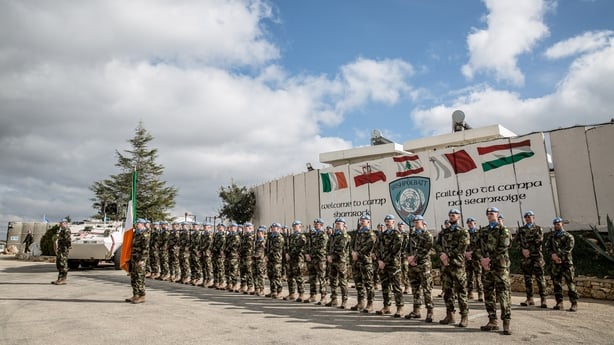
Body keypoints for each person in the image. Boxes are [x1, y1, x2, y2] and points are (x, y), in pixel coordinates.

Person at [474, 207, 512, 335]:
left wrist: (489, 259)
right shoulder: (483, 231)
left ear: (497, 215)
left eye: (492, 213)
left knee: (503, 294)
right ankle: (492, 320)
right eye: (488, 214)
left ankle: (506, 322)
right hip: (487, 267)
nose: (490, 216)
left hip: (500, 266)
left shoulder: (503, 230)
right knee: (489, 294)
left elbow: (503, 247)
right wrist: (482, 259)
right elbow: (476, 246)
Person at [435, 209, 470, 327]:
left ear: (459, 217)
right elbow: (437, 244)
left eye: (453, 215)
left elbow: (462, 247)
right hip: (445, 266)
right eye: (450, 215)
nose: (451, 217)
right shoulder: (444, 232)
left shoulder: (463, 232)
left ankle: (464, 316)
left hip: (457, 265)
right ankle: (450, 315)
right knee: (447, 291)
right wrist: (441, 255)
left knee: (461, 291)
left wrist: (447, 255)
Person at [404, 215, 435, 322]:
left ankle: (430, 311)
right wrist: (408, 257)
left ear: (422, 222)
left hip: (423, 265)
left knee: (426, 289)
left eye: (417, 222)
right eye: (414, 222)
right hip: (413, 266)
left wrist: (414, 258)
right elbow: (407, 248)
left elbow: (426, 249)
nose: (415, 223)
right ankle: (416, 310)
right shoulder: (411, 235)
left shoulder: (427, 235)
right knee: (415, 289)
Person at [545, 217, 579, 312]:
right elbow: (547, 247)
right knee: (556, 283)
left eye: (558, 224)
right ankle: (559, 302)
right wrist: (553, 255)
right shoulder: (551, 236)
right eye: (555, 224)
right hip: (555, 264)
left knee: (570, 283)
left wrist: (558, 255)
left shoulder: (569, 236)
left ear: (562, 225)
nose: (556, 226)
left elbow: (568, 249)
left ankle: (574, 303)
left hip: (566, 263)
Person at [516, 210, 547, 308]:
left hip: (536, 256)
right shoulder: (521, 230)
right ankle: (530, 298)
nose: (528, 218)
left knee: (540, 278)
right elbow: (517, 242)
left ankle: (543, 299)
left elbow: (538, 241)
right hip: (526, 258)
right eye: (526, 217)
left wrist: (528, 249)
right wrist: (522, 250)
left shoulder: (538, 229)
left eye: (530, 217)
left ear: (533, 218)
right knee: (528, 278)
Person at [376, 214, 404, 317]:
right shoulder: (382, 235)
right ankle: (386, 307)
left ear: (393, 222)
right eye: (386, 221)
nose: (387, 222)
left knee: (396, 287)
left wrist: (384, 261)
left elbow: (395, 250)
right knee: (385, 286)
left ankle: (400, 308)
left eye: (389, 221)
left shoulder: (397, 234)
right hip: (382, 264)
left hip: (393, 264)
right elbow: (377, 248)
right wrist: (379, 260)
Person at [350, 214, 377, 313]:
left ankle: (370, 304)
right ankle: (360, 302)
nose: (362, 222)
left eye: (364, 220)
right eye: (361, 220)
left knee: (368, 284)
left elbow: (369, 246)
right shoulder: (358, 233)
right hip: (356, 262)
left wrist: (358, 253)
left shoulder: (371, 234)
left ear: (368, 222)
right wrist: (352, 252)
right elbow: (351, 245)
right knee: (359, 283)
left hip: (366, 262)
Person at [326, 217, 350, 309]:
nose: (337, 225)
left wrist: (331, 256)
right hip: (332, 261)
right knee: (333, 281)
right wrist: (329, 255)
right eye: (336, 224)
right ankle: (334, 299)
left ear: (343, 225)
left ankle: (344, 300)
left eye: (339, 224)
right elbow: (328, 247)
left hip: (341, 261)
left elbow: (341, 249)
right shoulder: (333, 236)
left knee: (343, 282)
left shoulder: (345, 236)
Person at [125, 218, 151, 304]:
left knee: (140, 278)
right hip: (134, 258)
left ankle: (142, 295)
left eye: (138, 223)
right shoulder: (136, 233)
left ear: (142, 224)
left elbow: (145, 249)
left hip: (140, 259)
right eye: (136, 223)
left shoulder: (145, 234)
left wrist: (142, 260)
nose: (136, 225)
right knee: (134, 277)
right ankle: (135, 295)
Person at [305, 218, 329, 304]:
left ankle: (323, 297)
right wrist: (307, 254)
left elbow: (321, 248)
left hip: (320, 259)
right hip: (312, 259)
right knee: (312, 278)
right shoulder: (313, 235)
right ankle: (313, 295)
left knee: (322, 278)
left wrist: (311, 254)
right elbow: (308, 246)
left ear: (321, 225)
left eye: (317, 224)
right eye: (314, 224)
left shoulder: (323, 235)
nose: (315, 225)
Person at [285, 220, 307, 301]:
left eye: (296, 226)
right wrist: (287, 253)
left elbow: (298, 248)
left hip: (298, 259)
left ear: (300, 227)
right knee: (290, 277)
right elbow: (287, 246)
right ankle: (292, 293)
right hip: (291, 260)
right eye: (293, 226)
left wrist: (289, 254)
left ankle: (301, 294)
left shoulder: (302, 237)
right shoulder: (291, 236)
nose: (294, 227)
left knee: (299, 277)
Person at [465, 217, 483, 302]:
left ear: (474, 223)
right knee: (469, 276)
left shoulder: (479, 233)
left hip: (476, 258)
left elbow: (481, 246)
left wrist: (472, 252)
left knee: (478, 276)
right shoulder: (466, 233)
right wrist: (466, 253)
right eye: (468, 223)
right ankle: (470, 293)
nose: (470, 224)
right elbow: (464, 245)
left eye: (471, 223)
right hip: (468, 259)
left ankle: (480, 294)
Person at [265, 223, 285, 298]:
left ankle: (279, 291)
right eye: (272, 227)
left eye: (275, 227)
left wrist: (267, 255)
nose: (273, 228)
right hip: (270, 259)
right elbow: (266, 247)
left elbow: (275, 249)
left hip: (276, 259)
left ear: (279, 229)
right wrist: (266, 255)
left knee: (277, 275)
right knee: (271, 275)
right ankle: (273, 291)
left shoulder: (279, 237)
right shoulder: (270, 237)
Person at [51, 219, 72, 285]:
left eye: (61, 223)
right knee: (59, 263)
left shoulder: (67, 230)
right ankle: (59, 279)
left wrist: (58, 237)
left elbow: (67, 239)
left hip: (64, 249)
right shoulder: (61, 230)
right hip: (60, 248)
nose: (60, 224)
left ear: (65, 223)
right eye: (60, 223)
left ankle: (63, 279)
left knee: (63, 263)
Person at [240, 222, 256, 294]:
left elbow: (249, 247)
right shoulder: (244, 236)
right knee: (243, 271)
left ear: (251, 229)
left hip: (248, 256)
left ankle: (250, 286)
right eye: (246, 228)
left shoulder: (252, 236)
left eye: (248, 228)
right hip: (243, 256)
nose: (246, 229)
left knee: (249, 271)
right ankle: (243, 286)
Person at [252, 225, 267, 296]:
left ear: (263, 233)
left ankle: (262, 289)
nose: (259, 233)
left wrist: (254, 255)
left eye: (261, 232)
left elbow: (261, 251)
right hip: (254, 260)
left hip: (261, 261)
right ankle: (256, 289)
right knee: (255, 274)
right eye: (258, 232)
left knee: (260, 275)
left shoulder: (264, 241)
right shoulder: (256, 241)